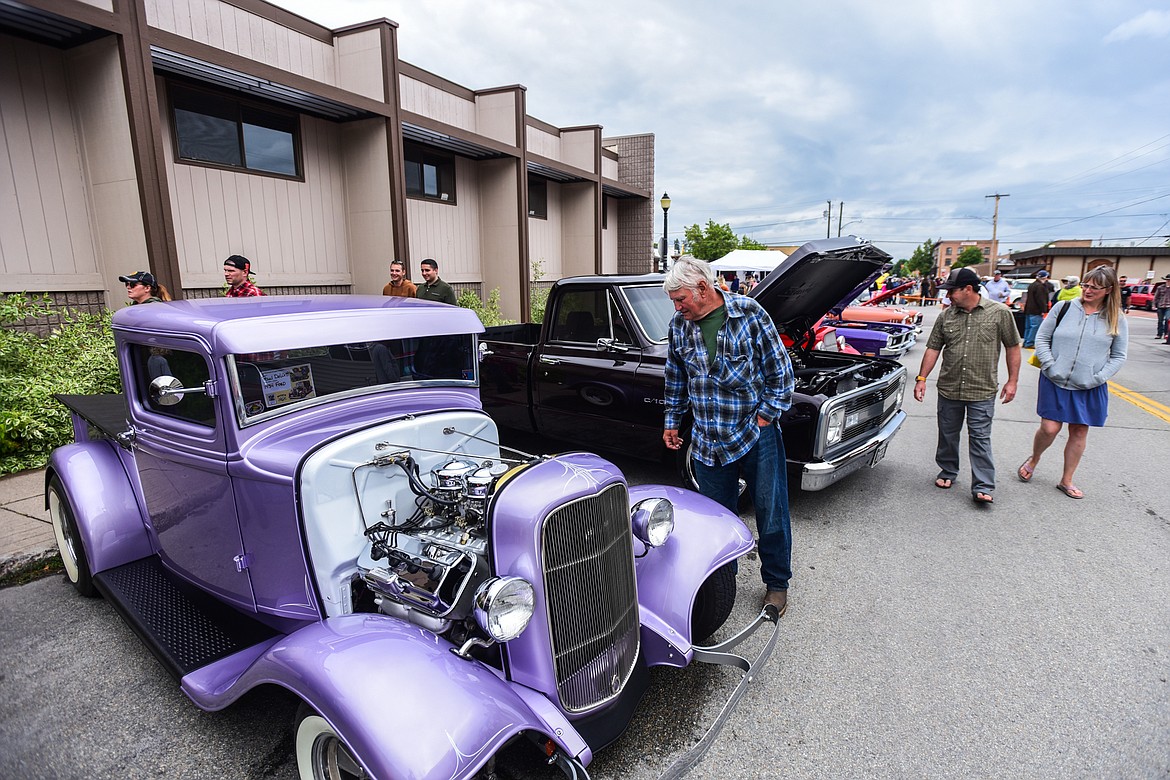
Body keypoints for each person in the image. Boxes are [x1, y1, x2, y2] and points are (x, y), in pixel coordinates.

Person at [661, 258, 795, 616]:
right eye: (674, 301)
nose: (677, 307)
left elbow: (781, 374)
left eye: (680, 299)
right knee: (716, 518)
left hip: (755, 434)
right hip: (707, 439)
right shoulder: (679, 325)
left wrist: (767, 416)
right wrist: (672, 421)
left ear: (703, 289)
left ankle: (777, 584)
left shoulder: (749, 314)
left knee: (771, 512)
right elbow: (675, 376)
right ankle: (724, 582)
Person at [912, 267, 1021, 504]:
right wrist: (921, 379)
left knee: (980, 437)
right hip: (950, 388)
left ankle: (983, 485)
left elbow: (1013, 346)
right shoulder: (946, 316)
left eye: (952, 291)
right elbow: (933, 348)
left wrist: (1012, 381)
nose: (948, 296)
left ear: (968, 289)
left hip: (982, 389)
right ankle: (948, 471)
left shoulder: (1000, 313)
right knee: (948, 434)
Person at [1018, 267, 1127, 499]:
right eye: (1085, 285)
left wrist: (1098, 377)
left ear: (1108, 290)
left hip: (1089, 384)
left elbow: (1119, 355)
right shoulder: (1064, 307)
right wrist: (1050, 364)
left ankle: (1066, 480)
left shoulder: (1116, 317)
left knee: (1078, 431)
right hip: (1054, 378)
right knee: (1050, 428)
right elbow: (1042, 338)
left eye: (1094, 287)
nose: (1087, 290)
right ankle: (1034, 458)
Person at [1021, 270, 1051, 348]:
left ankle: (1026, 341)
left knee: (1028, 327)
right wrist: (1044, 310)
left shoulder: (1032, 285)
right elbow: (1041, 299)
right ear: (1045, 277)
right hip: (1036, 310)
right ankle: (1030, 343)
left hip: (1029, 309)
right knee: (1035, 327)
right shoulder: (1040, 287)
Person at [1155, 275, 1170, 341]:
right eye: (1167, 280)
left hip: (1168, 306)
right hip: (1161, 305)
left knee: (1167, 319)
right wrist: (1154, 305)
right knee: (1160, 321)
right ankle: (1159, 334)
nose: (1168, 281)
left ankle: (1166, 333)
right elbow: (1156, 297)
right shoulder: (1160, 287)